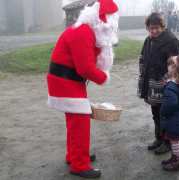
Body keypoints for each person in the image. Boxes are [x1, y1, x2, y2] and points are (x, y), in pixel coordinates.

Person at [46, 0, 119, 178]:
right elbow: (85, 68)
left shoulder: (88, 30)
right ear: (102, 19)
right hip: (66, 81)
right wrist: (104, 77)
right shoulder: (84, 32)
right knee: (80, 121)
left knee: (74, 121)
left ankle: (75, 156)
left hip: (67, 80)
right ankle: (79, 165)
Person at [137, 12, 179, 155]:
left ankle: (167, 142)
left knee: (165, 114)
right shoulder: (148, 40)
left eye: (157, 28)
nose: (154, 31)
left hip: (165, 83)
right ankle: (159, 138)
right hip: (151, 82)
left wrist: (167, 79)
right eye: (151, 28)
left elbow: (176, 64)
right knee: (155, 112)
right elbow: (143, 57)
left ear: (163, 26)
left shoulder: (171, 40)